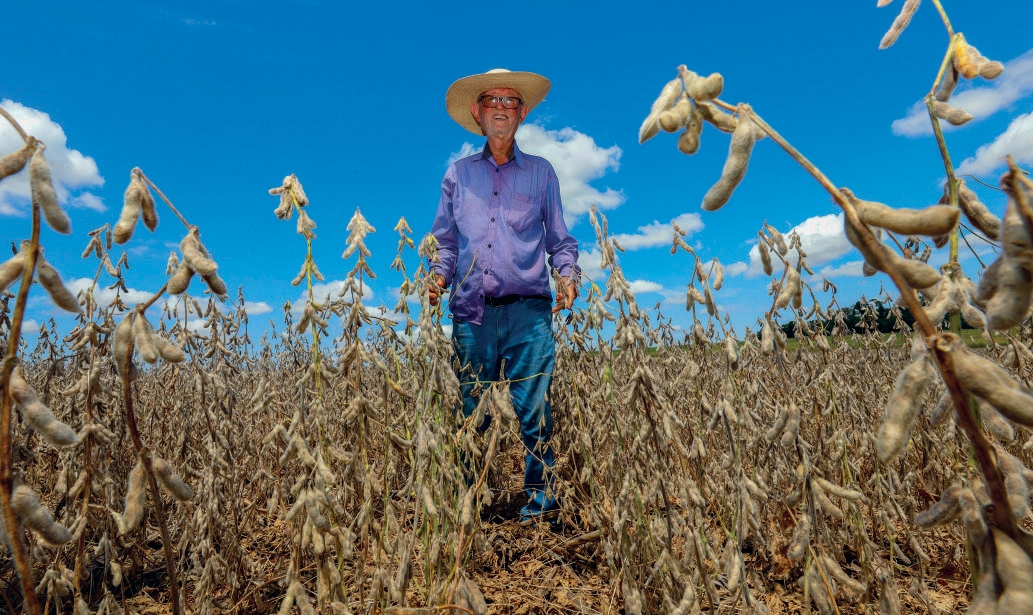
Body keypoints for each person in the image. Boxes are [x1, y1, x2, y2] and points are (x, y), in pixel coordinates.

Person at [428, 68, 579, 523]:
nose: (500, 109)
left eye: (510, 102)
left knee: (535, 414)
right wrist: (436, 278)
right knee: (472, 417)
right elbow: (446, 243)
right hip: (471, 311)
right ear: (477, 112)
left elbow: (560, 239)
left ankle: (541, 509)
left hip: (529, 312)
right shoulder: (457, 176)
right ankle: (470, 507)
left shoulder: (542, 174)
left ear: (522, 113)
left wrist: (567, 276)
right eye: (491, 101)